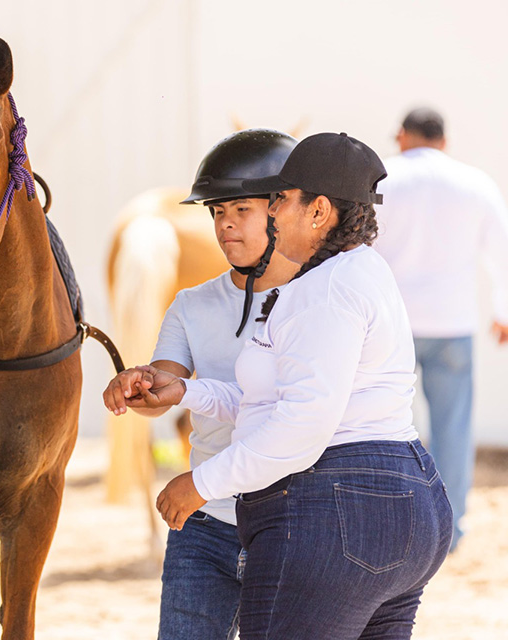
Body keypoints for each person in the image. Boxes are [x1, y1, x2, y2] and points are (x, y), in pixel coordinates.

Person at [105, 133, 452, 639]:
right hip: (406, 498)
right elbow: (269, 402)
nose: (270, 215)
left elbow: (303, 423)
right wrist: (186, 392)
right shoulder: (356, 274)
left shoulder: (323, 290)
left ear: (318, 212)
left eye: (280, 201)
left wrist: (201, 483)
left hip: (338, 501)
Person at [105, 129, 299, 639]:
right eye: (217, 213)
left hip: (292, 520)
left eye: (241, 211)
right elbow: (164, 386)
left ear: (280, 211)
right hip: (203, 524)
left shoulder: (315, 300)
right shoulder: (190, 305)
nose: (225, 226)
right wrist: (138, 389)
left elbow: (290, 411)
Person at [373, 107, 508, 552]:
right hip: (453, 323)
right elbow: (501, 253)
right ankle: (449, 530)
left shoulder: (382, 178)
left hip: (391, 325)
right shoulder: (475, 183)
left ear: (403, 135)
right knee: (453, 426)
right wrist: (503, 312)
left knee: (391, 425)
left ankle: (400, 523)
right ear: (444, 141)